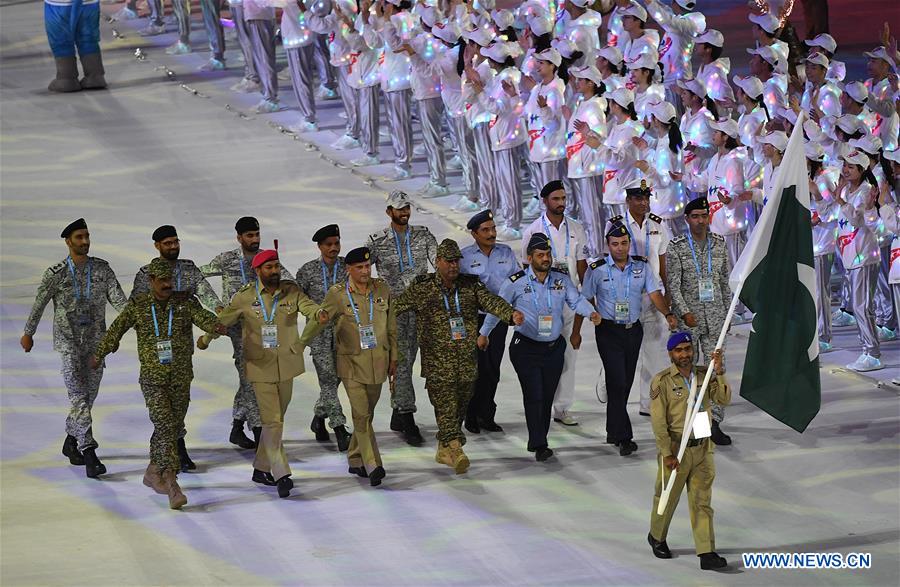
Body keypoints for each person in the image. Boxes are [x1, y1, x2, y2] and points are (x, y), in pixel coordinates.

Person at [91, 259, 226, 509]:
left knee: (173, 427)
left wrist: (221, 325)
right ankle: (172, 482)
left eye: (169, 280)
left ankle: (153, 470)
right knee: (164, 426)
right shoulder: (139, 305)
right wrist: (100, 353)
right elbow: (116, 330)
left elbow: (205, 319)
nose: (167, 284)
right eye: (161, 280)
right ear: (151, 280)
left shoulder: (185, 302)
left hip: (181, 377)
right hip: (153, 380)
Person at [199, 250, 321, 498]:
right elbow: (224, 320)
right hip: (259, 366)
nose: (275, 271)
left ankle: (260, 468)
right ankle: (281, 472)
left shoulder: (291, 291)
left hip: (287, 364)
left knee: (276, 422)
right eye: (269, 268)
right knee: (273, 421)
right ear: (258, 271)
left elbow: (310, 308)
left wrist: (318, 314)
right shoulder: (245, 297)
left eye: (276, 266)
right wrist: (206, 338)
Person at [395, 239, 521, 473]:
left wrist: (510, 314)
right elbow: (396, 306)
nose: (454, 266)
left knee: (459, 409)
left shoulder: (470, 286)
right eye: (449, 261)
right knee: (446, 407)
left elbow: (491, 301)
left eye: (456, 261)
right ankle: (456, 447)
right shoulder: (423, 288)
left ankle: (444, 449)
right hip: (437, 364)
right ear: (438, 262)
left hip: (466, 363)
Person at [22, 218, 127, 477]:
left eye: (87, 236)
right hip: (68, 344)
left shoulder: (102, 270)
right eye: (79, 237)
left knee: (88, 398)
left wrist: (126, 330)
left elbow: (121, 304)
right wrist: (28, 333)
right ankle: (89, 451)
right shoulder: (56, 273)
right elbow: (39, 304)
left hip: (96, 345)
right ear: (68, 241)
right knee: (78, 397)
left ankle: (71, 441)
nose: (85, 241)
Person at [481, 233, 600, 462]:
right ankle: (539, 442)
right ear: (529, 257)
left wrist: (591, 312)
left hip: (554, 348)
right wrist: (483, 334)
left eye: (548, 254)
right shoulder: (516, 282)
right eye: (540, 255)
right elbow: (497, 308)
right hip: (525, 348)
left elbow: (575, 301)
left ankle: (539, 436)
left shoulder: (561, 279)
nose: (546, 259)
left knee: (546, 396)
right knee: (534, 394)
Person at [301, 247, 397, 487]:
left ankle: (355, 458)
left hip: (378, 363)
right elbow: (320, 320)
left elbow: (392, 326)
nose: (365, 271)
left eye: (367, 266)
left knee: (367, 415)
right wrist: (300, 343)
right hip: (351, 364)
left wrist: (394, 357)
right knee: (362, 415)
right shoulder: (337, 294)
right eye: (359, 267)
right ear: (348, 269)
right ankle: (373, 463)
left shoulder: (382, 289)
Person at [200, 217, 296, 450]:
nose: (254, 239)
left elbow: (291, 283)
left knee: (254, 376)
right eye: (249, 236)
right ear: (239, 238)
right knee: (251, 375)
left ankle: (237, 424)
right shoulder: (226, 260)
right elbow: (197, 277)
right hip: (239, 327)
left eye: (256, 234)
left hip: (266, 327)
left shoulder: (268, 259)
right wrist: (217, 306)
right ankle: (258, 428)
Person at [582, 222, 677, 456]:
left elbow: (654, 293)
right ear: (608, 245)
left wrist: (667, 313)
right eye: (615, 244)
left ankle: (613, 430)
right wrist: (590, 316)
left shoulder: (641, 266)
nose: (620, 248)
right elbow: (585, 297)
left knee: (624, 383)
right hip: (608, 331)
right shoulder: (597, 269)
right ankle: (624, 437)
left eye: (624, 243)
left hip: (633, 330)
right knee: (617, 380)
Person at [135, 225, 221, 471]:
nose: (173, 247)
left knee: (180, 399)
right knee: (162, 405)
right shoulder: (146, 273)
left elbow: (205, 293)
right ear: (157, 246)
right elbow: (136, 306)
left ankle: (176, 440)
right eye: (167, 243)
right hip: (155, 352)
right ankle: (171, 447)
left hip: (182, 349)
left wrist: (219, 310)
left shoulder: (188, 268)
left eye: (175, 242)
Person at [647, 332, 730, 571]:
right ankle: (657, 536)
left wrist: (720, 371)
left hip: (703, 448)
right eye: (679, 350)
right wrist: (666, 453)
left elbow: (723, 400)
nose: (684, 355)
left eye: (687, 349)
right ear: (671, 354)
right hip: (675, 449)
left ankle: (706, 551)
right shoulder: (662, 382)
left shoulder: (704, 375)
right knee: (667, 497)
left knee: (702, 501)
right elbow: (658, 422)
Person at [367, 191, 437, 446]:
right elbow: (360, 270)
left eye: (407, 207)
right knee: (403, 363)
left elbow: (436, 260)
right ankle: (406, 415)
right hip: (395, 313)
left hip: (422, 310)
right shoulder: (377, 241)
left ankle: (398, 412)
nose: (405, 212)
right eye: (399, 209)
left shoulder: (423, 235)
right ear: (389, 212)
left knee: (417, 361)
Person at [521, 181, 589, 426]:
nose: (561, 203)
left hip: (569, 301)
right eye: (556, 199)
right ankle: (542, 405)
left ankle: (562, 408)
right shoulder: (533, 230)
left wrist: (585, 301)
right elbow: (525, 269)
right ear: (545, 201)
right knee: (542, 355)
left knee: (569, 355)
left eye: (563, 198)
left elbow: (582, 267)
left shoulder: (577, 228)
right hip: (544, 303)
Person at [665, 197, 733, 445]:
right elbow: (673, 283)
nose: (700, 221)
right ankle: (696, 426)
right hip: (689, 321)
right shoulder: (677, 247)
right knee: (689, 373)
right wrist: (684, 312)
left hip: (715, 317)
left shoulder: (719, 244)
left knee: (716, 371)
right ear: (687, 219)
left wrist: (728, 314)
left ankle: (714, 424)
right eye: (695, 216)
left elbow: (724, 281)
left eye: (704, 216)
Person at [606, 179, 674, 417]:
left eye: (646, 198)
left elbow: (663, 262)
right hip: (626, 297)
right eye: (638, 198)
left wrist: (669, 294)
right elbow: (609, 263)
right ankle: (613, 391)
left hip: (653, 295)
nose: (643, 202)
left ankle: (648, 402)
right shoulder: (614, 225)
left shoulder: (658, 224)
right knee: (625, 350)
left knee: (654, 353)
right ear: (628, 200)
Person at [460, 210, 520, 433]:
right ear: (474, 233)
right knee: (474, 368)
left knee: (492, 368)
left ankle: (487, 414)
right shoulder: (464, 257)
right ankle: (471, 415)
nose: (492, 233)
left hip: (499, 319)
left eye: (493, 228)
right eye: (485, 230)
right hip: (474, 319)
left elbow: (517, 280)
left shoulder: (506, 252)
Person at [295, 224, 351, 451]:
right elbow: (298, 300)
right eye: (328, 244)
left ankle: (319, 417)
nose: (334, 248)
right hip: (318, 332)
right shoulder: (307, 271)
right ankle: (339, 428)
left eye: (336, 243)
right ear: (320, 246)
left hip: (345, 330)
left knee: (336, 377)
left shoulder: (349, 267)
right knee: (328, 379)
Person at [44, 0, 106, 91]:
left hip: (60, 4)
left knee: (61, 40)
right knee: (88, 38)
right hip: (89, 3)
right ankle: (95, 76)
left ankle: (66, 78)